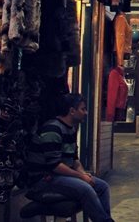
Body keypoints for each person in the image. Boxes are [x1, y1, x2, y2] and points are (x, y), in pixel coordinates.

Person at [26, 94, 113, 222]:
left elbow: (74, 158)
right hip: (43, 180)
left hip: (59, 176)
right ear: (72, 111)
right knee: (85, 189)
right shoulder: (53, 129)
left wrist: (84, 174)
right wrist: (80, 177)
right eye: (83, 109)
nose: (86, 112)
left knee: (102, 186)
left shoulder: (71, 129)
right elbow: (55, 166)